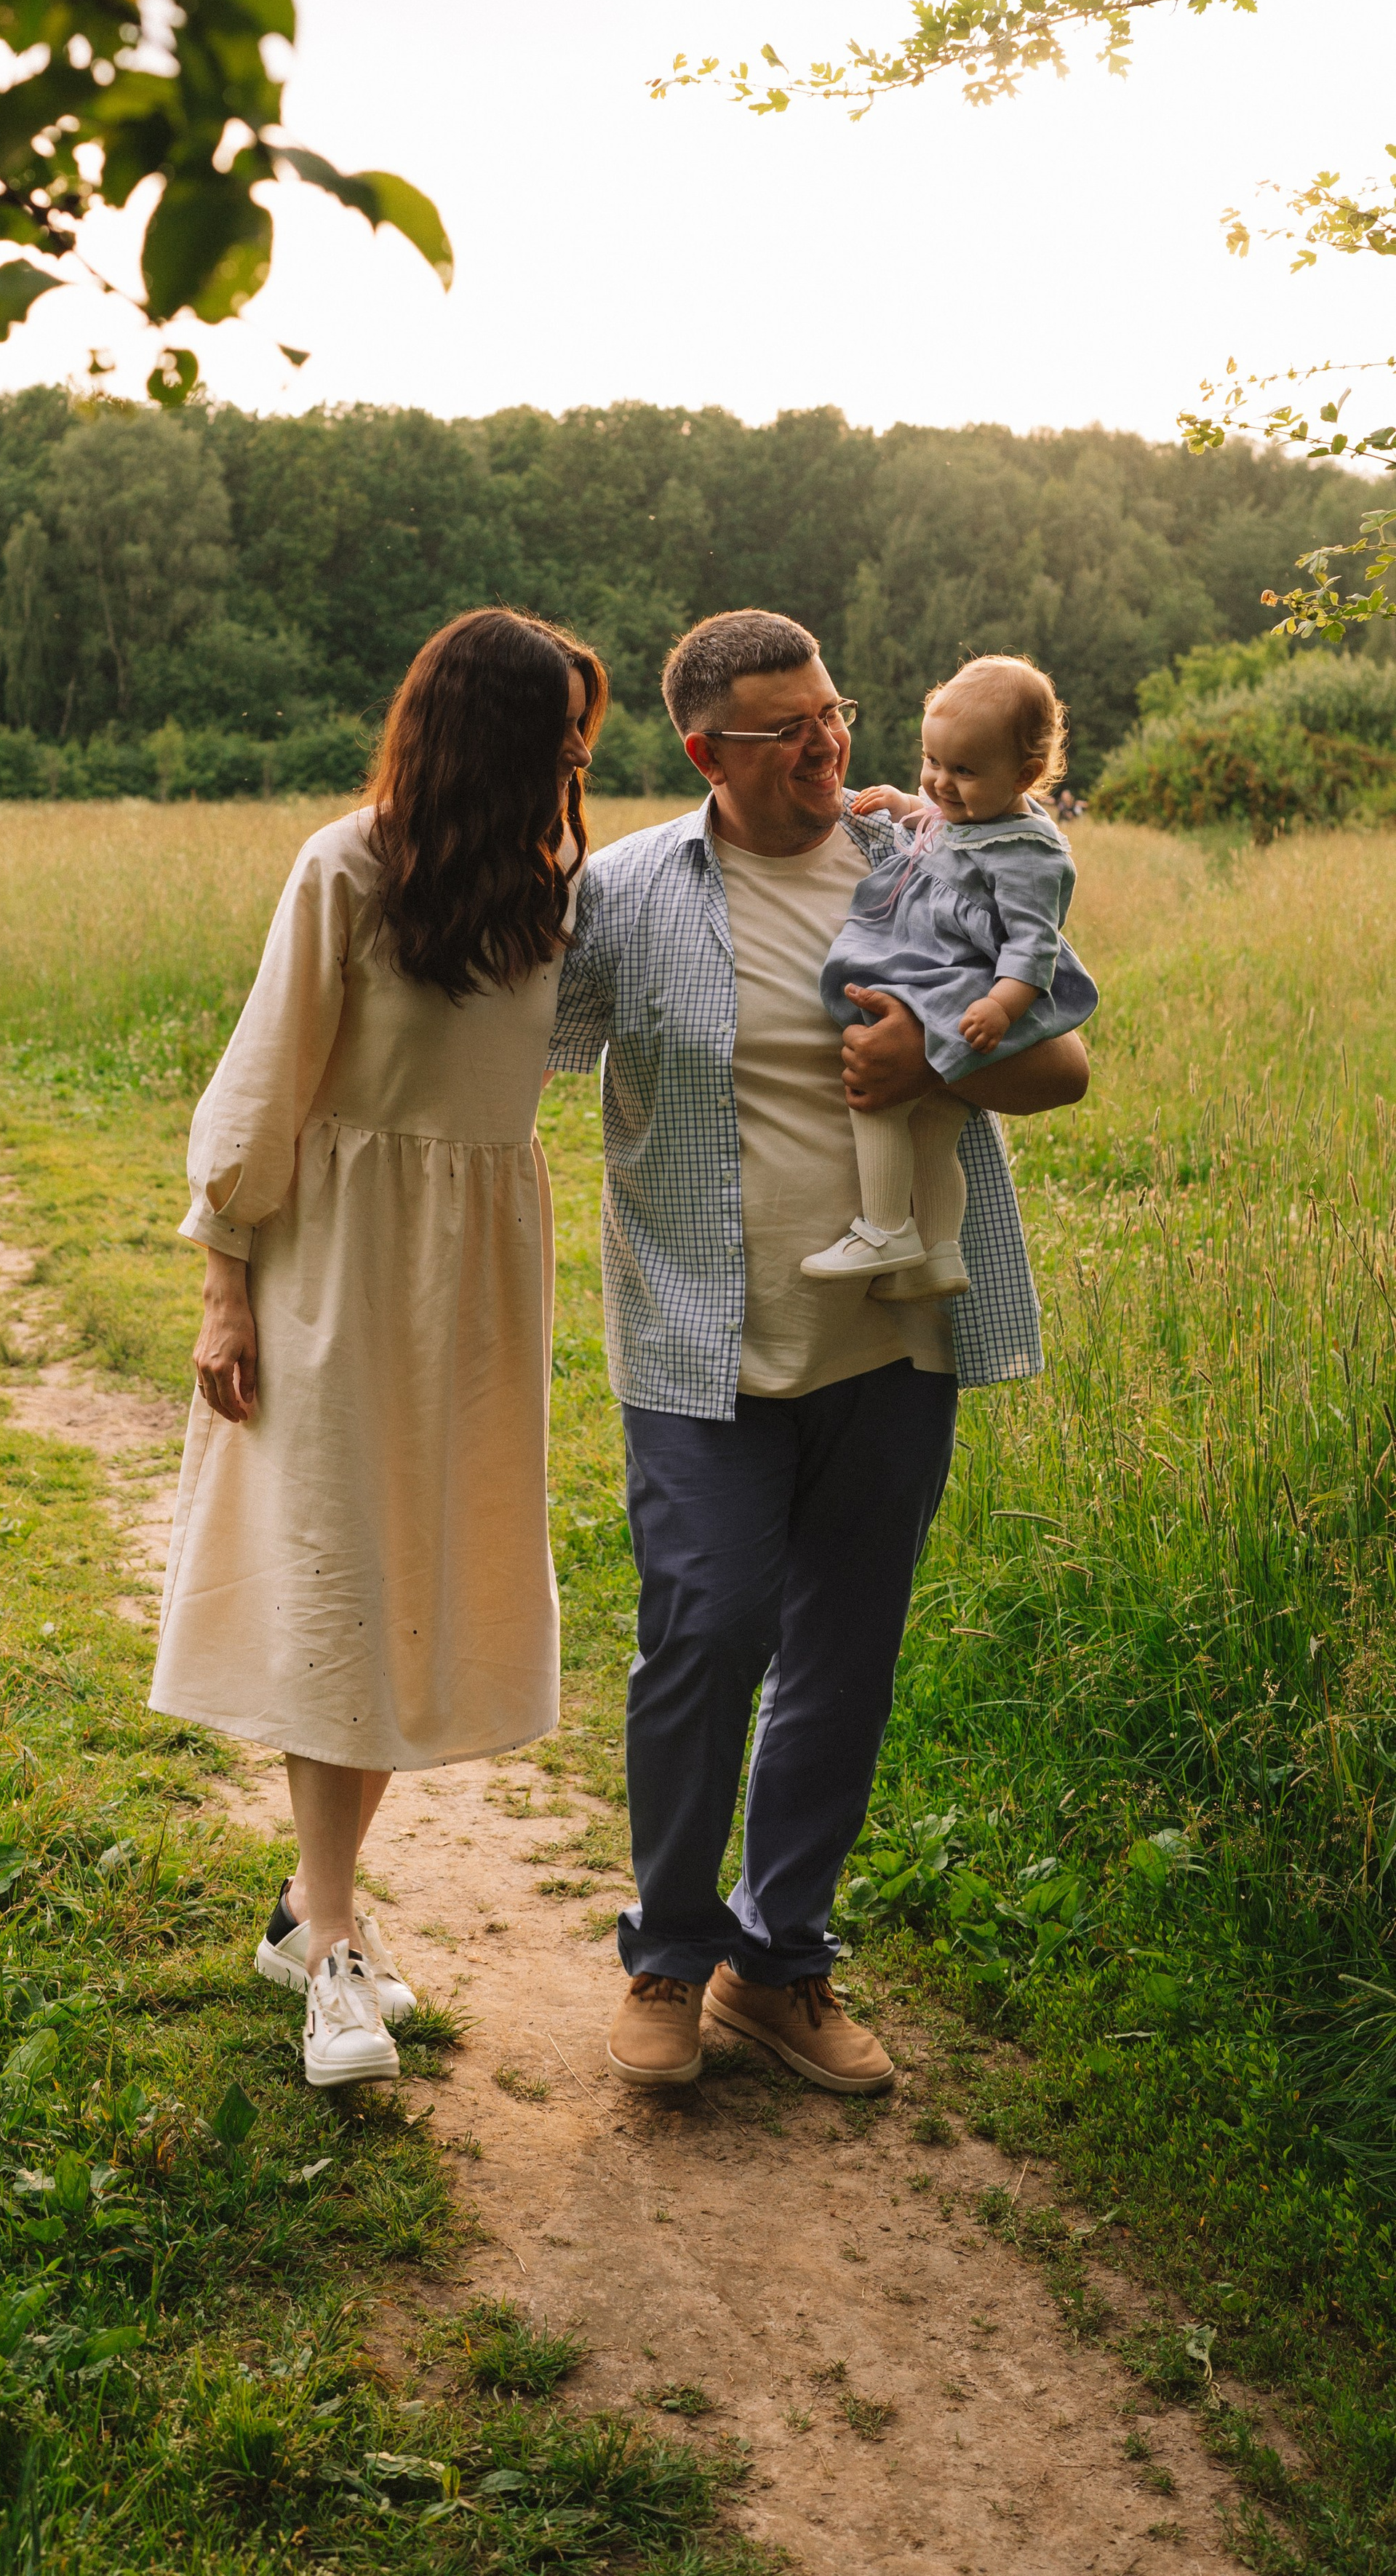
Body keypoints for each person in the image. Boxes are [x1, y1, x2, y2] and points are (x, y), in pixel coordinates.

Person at [547, 610, 1089, 2093]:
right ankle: (663, 1958)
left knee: (842, 1660)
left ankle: (775, 1970)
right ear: (704, 753)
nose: (825, 748)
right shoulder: (628, 893)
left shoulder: (932, 854)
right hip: (696, 1345)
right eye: (786, 730)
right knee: (706, 1632)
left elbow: (1064, 1058)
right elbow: (502, 1047)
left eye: (833, 714)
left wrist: (939, 1054)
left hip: (892, 1344)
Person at [151, 607, 604, 2091]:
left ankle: (306, 1913)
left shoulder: (556, 888)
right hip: (335, 1268)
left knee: (415, 1581)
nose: (576, 763)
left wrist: (897, 822)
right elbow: (260, 1084)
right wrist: (225, 1289)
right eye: (557, 738)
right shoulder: (346, 866)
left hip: (474, 1275)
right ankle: (330, 1945)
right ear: (493, 736)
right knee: (342, 1580)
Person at [799, 655, 1098, 1299]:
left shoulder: (1028, 852)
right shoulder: (967, 812)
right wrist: (906, 803)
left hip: (956, 985)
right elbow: (935, 824)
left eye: (963, 770)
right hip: (938, 974)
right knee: (937, 1124)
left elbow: (1031, 946)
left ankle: (884, 1226)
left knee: (876, 1094)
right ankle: (938, 1252)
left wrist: (1002, 1005)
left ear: (1024, 775)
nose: (940, 782)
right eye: (932, 761)